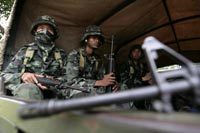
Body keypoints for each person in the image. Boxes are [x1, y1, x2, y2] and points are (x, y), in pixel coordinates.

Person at [0, 15, 67, 100]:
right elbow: (4, 76)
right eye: (41, 28)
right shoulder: (25, 51)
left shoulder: (61, 55)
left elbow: (68, 79)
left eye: (49, 29)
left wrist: (52, 81)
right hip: (29, 93)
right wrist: (22, 76)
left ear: (54, 34)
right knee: (28, 90)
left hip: (53, 94)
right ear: (35, 31)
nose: (45, 31)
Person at [66, 25, 118, 98]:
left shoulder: (98, 59)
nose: (97, 41)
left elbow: (102, 79)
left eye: (99, 39)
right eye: (94, 38)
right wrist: (98, 82)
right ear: (86, 39)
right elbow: (72, 82)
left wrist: (111, 84)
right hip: (75, 89)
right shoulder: (75, 55)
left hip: (92, 88)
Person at [119, 45, 152, 109]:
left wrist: (149, 80)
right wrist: (143, 79)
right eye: (134, 51)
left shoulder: (142, 66)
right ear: (131, 54)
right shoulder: (125, 64)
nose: (136, 53)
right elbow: (124, 80)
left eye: (138, 52)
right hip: (128, 93)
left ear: (141, 54)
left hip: (140, 93)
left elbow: (147, 77)